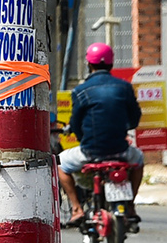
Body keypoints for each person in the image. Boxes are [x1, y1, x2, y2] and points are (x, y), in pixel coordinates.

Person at [56, 43, 147, 224]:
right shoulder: (124, 87)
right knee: (139, 159)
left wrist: (83, 139)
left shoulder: (81, 90)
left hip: (91, 151)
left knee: (59, 164)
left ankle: (76, 208)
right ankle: (130, 205)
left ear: (89, 64)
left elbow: (76, 123)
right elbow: (135, 118)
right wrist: (124, 127)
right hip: (121, 150)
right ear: (111, 64)